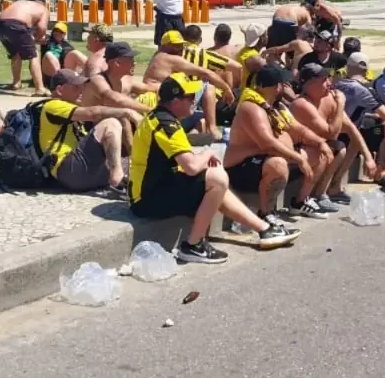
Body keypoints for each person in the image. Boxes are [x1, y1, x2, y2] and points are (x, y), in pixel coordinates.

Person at [129, 73, 302, 263]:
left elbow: (185, 163)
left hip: (157, 188)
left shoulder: (162, 117)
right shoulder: (166, 124)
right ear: (176, 100)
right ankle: (193, 245)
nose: (195, 101)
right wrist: (208, 154)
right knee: (217, 179)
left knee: (215, 181)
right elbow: (192, 167)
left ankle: (264, 229)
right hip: (147, 199)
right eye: (190, 97)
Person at [226, 65, 335, 219]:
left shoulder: (277, 107)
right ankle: (266, 214)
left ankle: (300, 202)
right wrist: (298, 159)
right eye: (285, 84)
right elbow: (267, 144)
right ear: (277, 87)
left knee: (318, 153)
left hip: (269, 160)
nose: (288, 87)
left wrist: (320, 143)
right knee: (278, 164)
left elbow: (299, 130)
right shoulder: (251, 108)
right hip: (242, 168)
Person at [290, 63, 377, 209]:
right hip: (296, 149)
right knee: (327, 151)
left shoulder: (329, 97)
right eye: (324, 80)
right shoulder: (302, 104)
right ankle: (303, 200)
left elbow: (351, 128)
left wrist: (368, 158)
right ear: (310, 83)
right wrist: (341, 104)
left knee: (341, 146)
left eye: (329, 79)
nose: (330, 83)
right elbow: (331, 133)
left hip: (317, 145)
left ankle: (323, 193)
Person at [35, 69, 137, 193]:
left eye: (82, 87)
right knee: (110, 123)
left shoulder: (73, 110)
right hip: (68, 170)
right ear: (59, 90)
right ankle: (117, 179)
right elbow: (93, 113)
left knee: (133, 163)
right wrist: (128, 112)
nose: (81, 90)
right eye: (76, 87)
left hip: (82, 171)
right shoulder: (52, 105)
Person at [336, 52, 385, 186]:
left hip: (338, 129)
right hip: (347, 134)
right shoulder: (363, 89)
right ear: (365, 69)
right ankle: (380, 172)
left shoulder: (337, 83)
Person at [140, 30, 235, 134]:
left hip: (157, 103)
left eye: (181, 45)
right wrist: (226, 88)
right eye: (176, 45)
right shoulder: (171, 59)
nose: (180, 48)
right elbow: (206, 73)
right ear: (166, 45)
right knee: (209, 87)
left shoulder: (157, 57)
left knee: (201, 120)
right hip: (165, 104)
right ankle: (212, 128)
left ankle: (193, 133)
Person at [0, 0, 49, 96]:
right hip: (17, 25)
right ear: (43, 2)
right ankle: (40, 88)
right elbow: (42, 28)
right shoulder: (42, 8)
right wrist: (37, 39)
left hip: (0, 25)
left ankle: (16, 83)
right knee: (34, 54)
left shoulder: (21, 3)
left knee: (15, 54)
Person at [236, 23, 269, 90]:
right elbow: (274, 75)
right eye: (266, 35)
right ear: (261, 39)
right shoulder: (256, 59)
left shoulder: (245, 50)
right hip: (246, 94)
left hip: (240, 90)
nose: (268, 37)